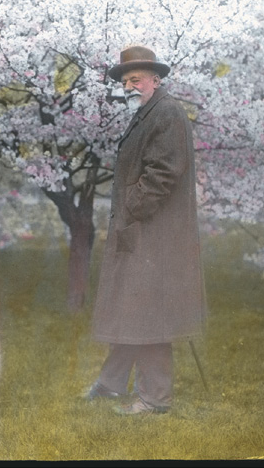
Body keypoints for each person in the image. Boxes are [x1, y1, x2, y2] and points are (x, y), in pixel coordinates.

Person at [86, 46, 206, 415]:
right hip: (141, 229)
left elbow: (163, 173)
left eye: (136, 79)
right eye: (125, 82)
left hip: (155, 233)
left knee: (150, 313)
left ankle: (154, 399)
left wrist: (131, 208)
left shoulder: (166, 113)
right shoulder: (146, 113)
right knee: (131, 306)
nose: (129, 87)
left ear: (156, 80)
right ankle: (110, 384)